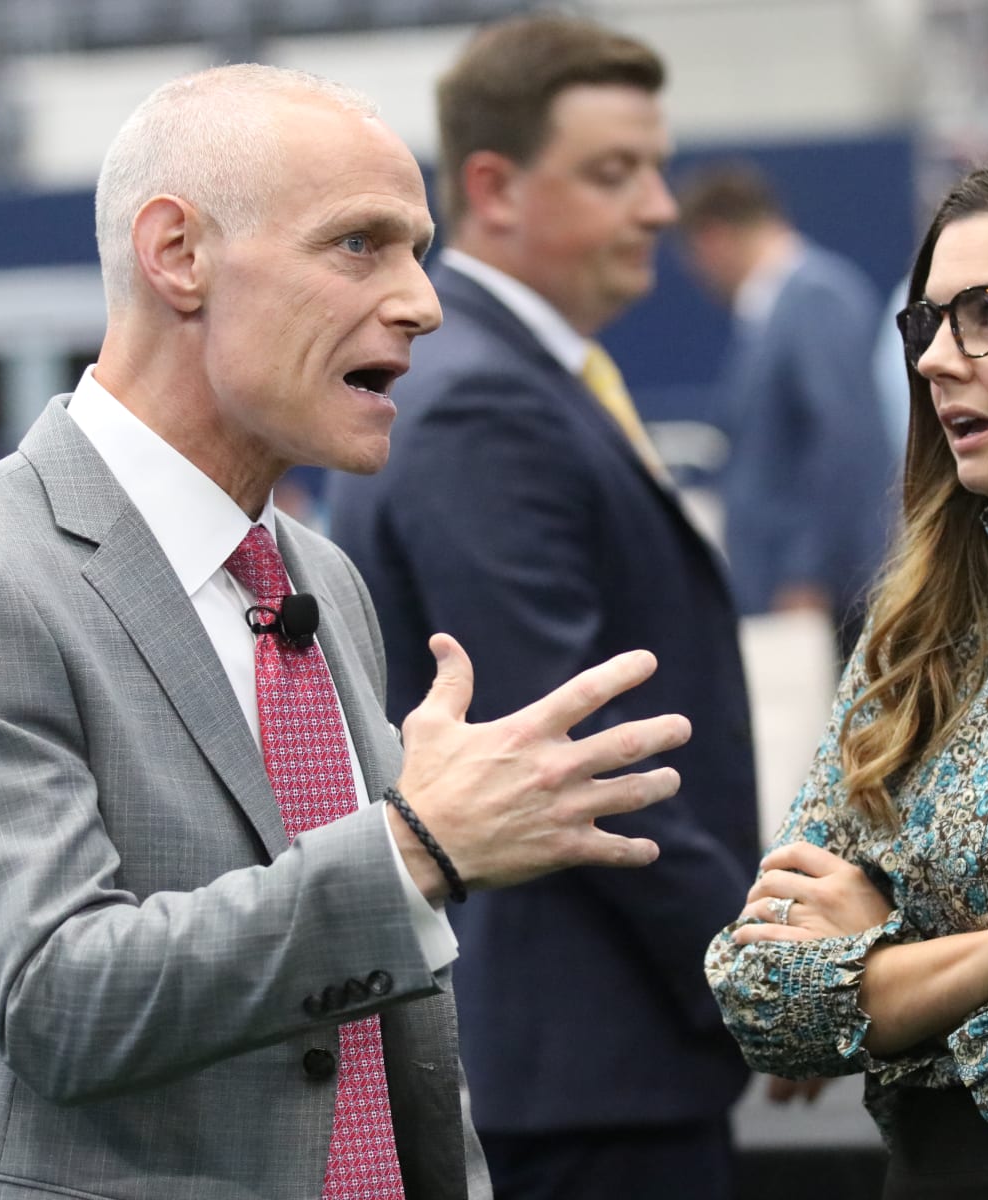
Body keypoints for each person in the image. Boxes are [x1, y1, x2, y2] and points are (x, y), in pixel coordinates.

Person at [0, 64, 695, 1200]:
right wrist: (414, 847)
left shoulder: (318, 576)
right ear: (178, 255)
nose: (422, 301)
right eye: (360, 245)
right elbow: (62, 1003)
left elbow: (383, 1036)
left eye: (419, 248)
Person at [329, 16, 757, 1200]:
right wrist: (764, 973)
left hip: (605, 1052)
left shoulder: (526, 383)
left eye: (657, 169)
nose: (662, 207)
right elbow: (568, 757)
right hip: (584, 1067)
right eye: (615, 172)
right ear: (493, 189)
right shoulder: (484, 408)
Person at [705, 146, 988, 1198]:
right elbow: (763, 992)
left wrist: (884, 978)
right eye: (928, 323)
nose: (934, 361)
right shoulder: (921, 622)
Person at [678, 161, 896, 658]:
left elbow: (844, 445)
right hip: (796, 593)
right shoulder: (780, 306)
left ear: (712, 238)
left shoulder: (816, 299)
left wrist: (809, 573)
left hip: (823, 598)